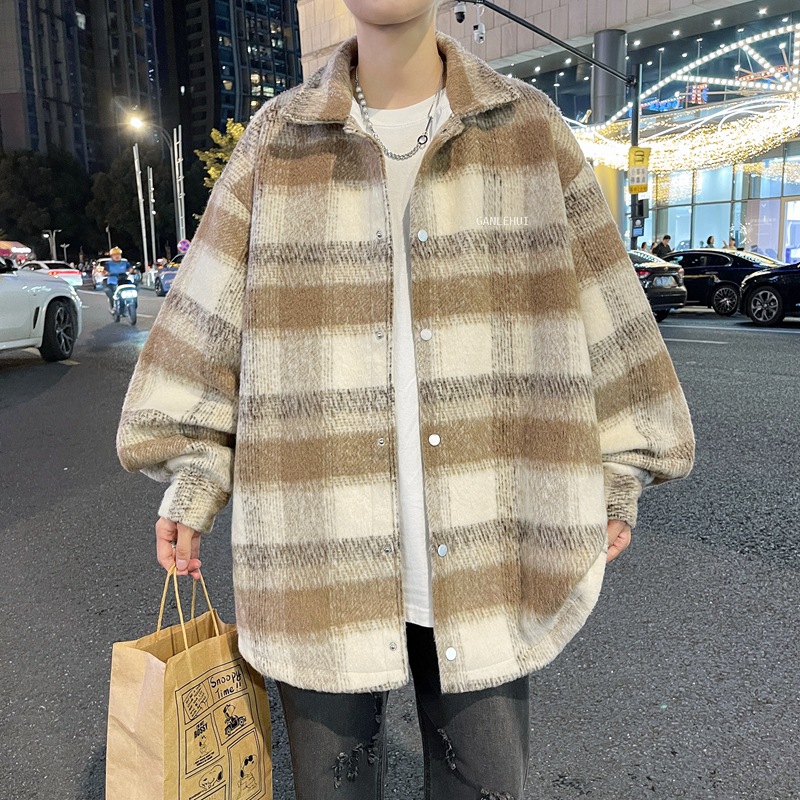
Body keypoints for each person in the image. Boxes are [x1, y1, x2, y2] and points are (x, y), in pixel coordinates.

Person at [116, 2, 695, 797]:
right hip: (316, 549)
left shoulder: (527, 129)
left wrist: (621, 466)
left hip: (492, 548)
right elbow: (205, 324)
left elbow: (609, 310)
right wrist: (193, 473)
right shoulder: (278, 141)